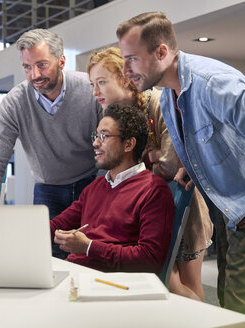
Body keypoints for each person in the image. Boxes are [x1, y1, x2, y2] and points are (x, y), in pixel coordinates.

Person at [117, 12, 245, 317]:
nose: (125, 70)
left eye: (132, 59)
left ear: (162, 52)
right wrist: (191, 166)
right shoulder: (168, 93)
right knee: (224, 293)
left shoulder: (215, 84)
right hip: (226, 200)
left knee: (241, 305)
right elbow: (204, 139)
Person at [87, 47, 212, 301]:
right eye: (93, 84)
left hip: (181, 207)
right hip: (143, 213)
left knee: (184, 286)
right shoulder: (109, 114)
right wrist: (150, 157)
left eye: (101, 82)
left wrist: (147, 163)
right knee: (163, 284)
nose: (95, 92)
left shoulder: (158, 101)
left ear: (124, 78)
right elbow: (116, 170)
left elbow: (171, 163)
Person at [0, 29, 102, 257]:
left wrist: (105, 191)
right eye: (27, 67)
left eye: (42, 65)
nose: (34, 75)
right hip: (48, 189)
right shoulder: (14, 103)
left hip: (90, 184)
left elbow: (111, 147)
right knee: (49, 261)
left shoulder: (90, 89)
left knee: (90, 258)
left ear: (61, 60)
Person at [51, 104, 175, 274]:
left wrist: (89, 247)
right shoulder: (95, 187)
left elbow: (150, 260)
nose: (95, 143)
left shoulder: (154, 190)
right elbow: (57, 226)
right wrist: (21, 231)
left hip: (109, 283)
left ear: (128, 144)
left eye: (104, 136)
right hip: (76, 273)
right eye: (96, 135)